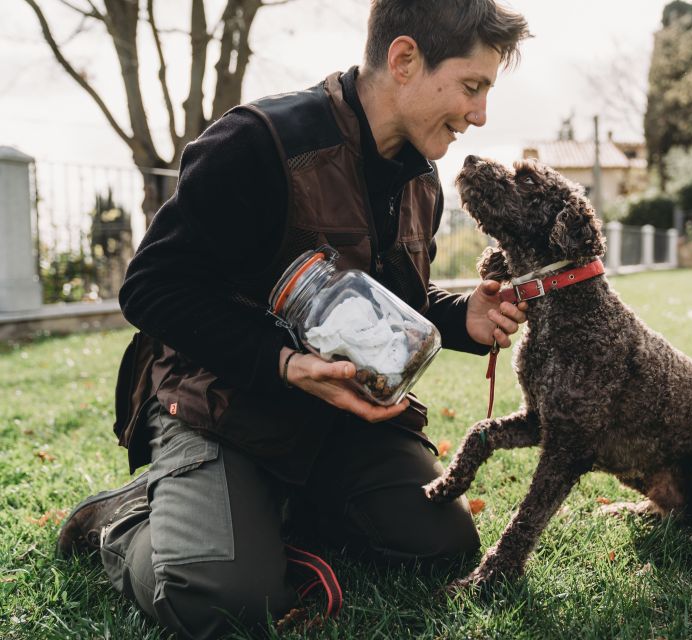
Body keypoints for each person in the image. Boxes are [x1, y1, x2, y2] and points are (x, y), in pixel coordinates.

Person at [56, 1, 531, 637]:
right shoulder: (258, 142)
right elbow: (151, 286)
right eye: (472, 87)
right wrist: (282, 363)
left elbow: (387, 308)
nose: (479, 114)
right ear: (405, 59)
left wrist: (461, 315)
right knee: (221, 597)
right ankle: (127, 519)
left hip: (334, 418)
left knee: (438, 544)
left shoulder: (421, 175)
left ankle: (259, 510)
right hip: (222, 403)